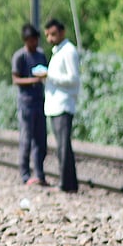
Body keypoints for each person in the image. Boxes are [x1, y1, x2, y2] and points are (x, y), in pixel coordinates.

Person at [42, 18, 80, 193]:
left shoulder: (69, 51)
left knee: (63, 147)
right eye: (48, 35)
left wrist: (49, 76)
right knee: (62, 146)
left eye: (53, 34)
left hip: (64, 104)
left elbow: (74, 79)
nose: (50, 38)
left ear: (62, 32)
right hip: (54, 105)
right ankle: (69, 183)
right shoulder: (57, 51)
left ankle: (66, 184)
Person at [11, 23, 49, 186]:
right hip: (26, 103)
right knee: (26, 139)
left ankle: (39, 174)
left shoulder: (40, 55)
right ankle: (25, 175)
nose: (34, 43)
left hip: (40, 101)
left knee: (41, 140)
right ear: (26, 40)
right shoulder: (19, 56)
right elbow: (15, 79)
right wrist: (34, 80)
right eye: (31, 40)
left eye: (36, 40)